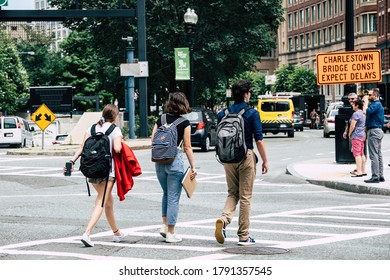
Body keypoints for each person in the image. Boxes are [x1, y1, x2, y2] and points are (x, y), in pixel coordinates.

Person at [214, 80, 268, 246]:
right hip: (246, 157)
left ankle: (224, 219)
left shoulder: (222, 113)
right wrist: (265, 160)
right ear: (246, 94)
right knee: (245, 196)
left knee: (232, 193)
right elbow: (258, 139)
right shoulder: (252, 113)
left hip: (227, 158)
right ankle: (243, 236)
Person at [65, 104, 126, 247]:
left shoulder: (91, 128)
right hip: (107, 171)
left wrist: (72, 161)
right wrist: (122, 143)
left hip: (91, 169)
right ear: (115, 116)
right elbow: (117, 149)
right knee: (101, 202)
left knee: (108, 202)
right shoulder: (114, 129)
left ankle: (117, 233)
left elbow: (82, 147)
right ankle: (87, 233)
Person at [151, 92, 197, 243]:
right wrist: (193, 166)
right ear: (183, 104)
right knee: (173, 198)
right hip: (174, 162)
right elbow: (188, 147)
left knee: (165, 194)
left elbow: (153, 140)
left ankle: (164, 226)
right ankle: (171, 232)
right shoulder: (184, 123)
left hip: (159, 161)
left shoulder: (161, 119)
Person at [363, 88, 385, 183]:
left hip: (374, 131)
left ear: (375, 96)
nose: (368, 96)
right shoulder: (378, 105)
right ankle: (380, 175)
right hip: (378, 130)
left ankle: (375, 176)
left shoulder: (376, 104)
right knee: (378, 153)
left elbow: (365, 111)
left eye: (370, 95)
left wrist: (366, 102)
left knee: (374, 154)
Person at [347, 99, 367, 177]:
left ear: (357, 106)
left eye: (353, 104)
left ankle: (358, 171)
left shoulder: (356, 114)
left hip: (356, 135)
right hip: (362, 135)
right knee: (362, 153)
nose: (352, 105)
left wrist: (349, 134)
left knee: (357, 154)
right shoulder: (363, 114)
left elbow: (352, 126)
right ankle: (363, 170)